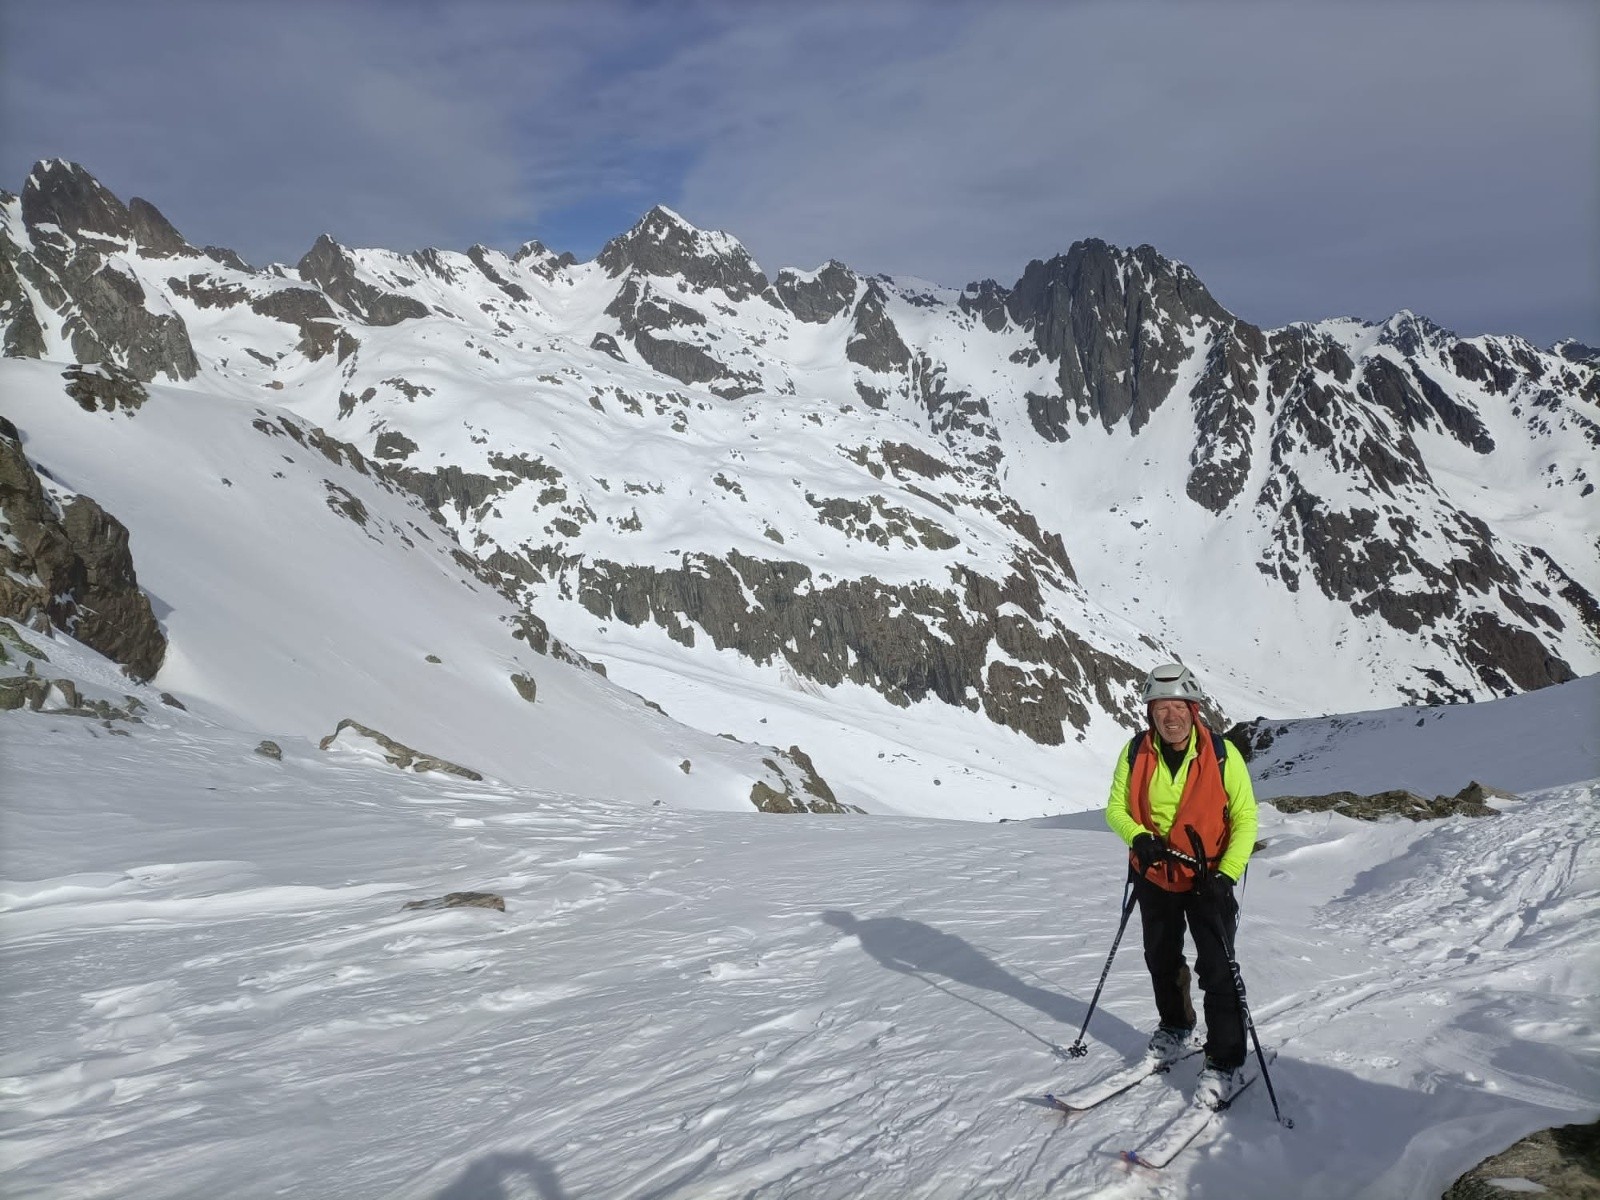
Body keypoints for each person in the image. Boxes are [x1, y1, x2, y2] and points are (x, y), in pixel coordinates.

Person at [1105, 662, 1259, 1105]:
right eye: (1160, 708)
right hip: (1155, 872)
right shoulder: (1136, 752)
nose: (1170, 717)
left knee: (1218, 967)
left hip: (1210, 876)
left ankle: (1225, 1060)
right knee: (1161, 956)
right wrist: (1138, 837)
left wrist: (1226, 875)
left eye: (1178, 707)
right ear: (1150, 712)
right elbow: (1115, 807)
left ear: (1193, 710)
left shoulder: (1223, 754)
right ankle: (1176, 1025)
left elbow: (1246, 819)